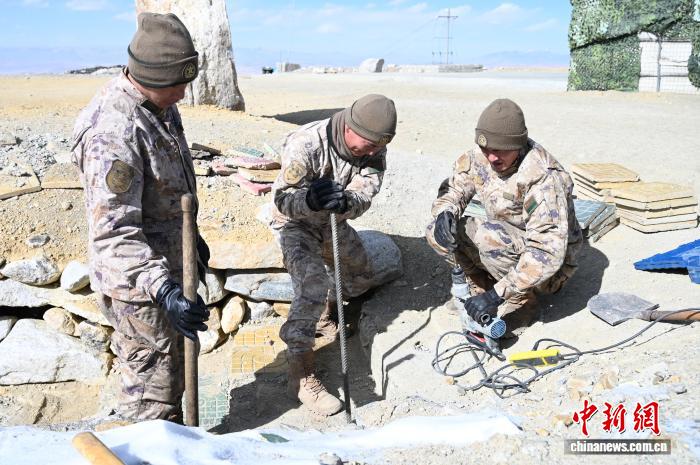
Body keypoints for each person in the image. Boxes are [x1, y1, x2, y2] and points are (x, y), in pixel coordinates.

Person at [71, 12, 210, 423]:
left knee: (175, 377)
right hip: (140, 290)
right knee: (153, 397)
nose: (183, 94)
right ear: (149, 76)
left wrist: (192, 241)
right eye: (176, 85)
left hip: (168, 270)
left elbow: (165, 188)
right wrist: (164, 290)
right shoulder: (113, 132)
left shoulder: (158, 103)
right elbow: (113, 234)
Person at [270, 94, 397, 415]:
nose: (372, 152)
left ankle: (326, 318)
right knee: (312, 286)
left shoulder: (375, 148)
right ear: (349, 128)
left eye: (377, 147)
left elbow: (366, 192)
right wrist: (309, 200)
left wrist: (347, 203)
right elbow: (282, 200)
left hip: (333, 222)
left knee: (360, 278)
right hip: (296, 223)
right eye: (368, 145)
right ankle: (301, 374)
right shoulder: (307, 143)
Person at [426, 98, 582, 340]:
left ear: (518, 146)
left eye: (500, 151)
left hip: (549, 269)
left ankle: (523, 300)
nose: (491, 158)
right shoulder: (483, 155)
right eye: (486, 149)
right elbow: (455, 188)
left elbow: (547, 253)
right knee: (437, 230)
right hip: (506, 241)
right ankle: (480, 285)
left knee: (488, 236)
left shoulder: (543, 178)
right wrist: (446, 211)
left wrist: (497, 295)